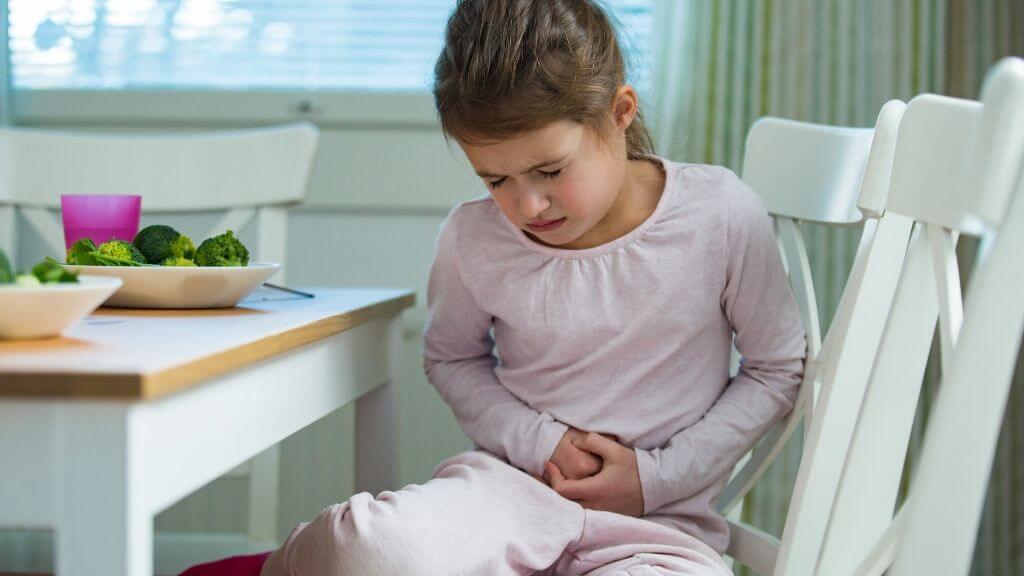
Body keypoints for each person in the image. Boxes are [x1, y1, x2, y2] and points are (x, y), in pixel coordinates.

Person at [182, 1, 805, 574]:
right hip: (504, 498)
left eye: (549, 170)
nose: (527, 204)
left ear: (620, 113)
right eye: (495, 180)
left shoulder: (718, 213)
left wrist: (656, 478)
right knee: (365, 549)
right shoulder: (472, 238)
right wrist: (541, 443)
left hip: (658, 528)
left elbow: (776, 367)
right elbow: (452, 357)